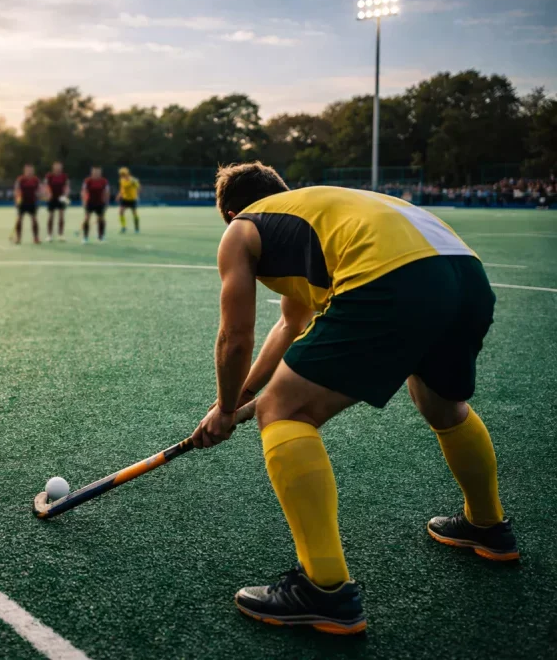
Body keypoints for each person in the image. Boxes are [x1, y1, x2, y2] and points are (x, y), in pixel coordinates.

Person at [191, 162, 516, 635]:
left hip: (395, 276)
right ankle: (487, 526)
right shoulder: (305, 215)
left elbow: (235, 338)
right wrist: (238, 397)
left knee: (285, 410)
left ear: (230, 212)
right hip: (466, 276)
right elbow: (291, 324)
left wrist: (223, 411)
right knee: (440, 402)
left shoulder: (242, 228)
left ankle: (324, 590)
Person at [13, 164, 42, 244]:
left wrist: (39, 198)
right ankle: (18, 238)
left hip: (32, 202)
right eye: (28, 170)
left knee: (34, 219)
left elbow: (39, 190)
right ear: (25, 171)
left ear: (33, 171)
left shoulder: (36, 180)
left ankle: (36, 238)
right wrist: (17, 200)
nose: (29, 172)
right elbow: (16, 190)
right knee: (19, 219)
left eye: (31, 170)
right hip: (22, 203)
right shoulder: (20, 179)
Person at [80, 167, 109, 243]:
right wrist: (84, 200)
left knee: (101, 219)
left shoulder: (104, 181)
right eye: (95, 172)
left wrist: (106, 202)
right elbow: (83, 191)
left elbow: (107, 192)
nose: (96, 174)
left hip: (100, 203)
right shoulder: (87, 181)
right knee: (87, 219)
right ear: (92, 173)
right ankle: (85, 237)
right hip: (89, 202)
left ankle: (101, 236)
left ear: (100, 173)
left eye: (98, 172)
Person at [45, 161, 70, 242]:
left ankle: (61, 235)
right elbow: (46, 186)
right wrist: (48, 194)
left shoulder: (64, 176)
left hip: (61, 198)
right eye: (56, 167)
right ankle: (49, 235)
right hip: (52, 198)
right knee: (51, 216)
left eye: (59, 167)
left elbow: (67, 186)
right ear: (53, 168)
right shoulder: (49, 176)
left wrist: (66, 195)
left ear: (61, 168)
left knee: (61, 216)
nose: (58, 169)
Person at [117, 167, 141, 234]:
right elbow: (122, 189)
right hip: (125, 199)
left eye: (124, 174)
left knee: (134, 213)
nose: (122, 175)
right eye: (121, 174)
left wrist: (136, 195)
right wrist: (119, 195)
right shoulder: (121, 180)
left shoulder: (133, 180)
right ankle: (123, 227)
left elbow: (139, 188)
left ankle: (137, 228)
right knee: (121, 212)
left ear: (128, 173)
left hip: (132, 199)